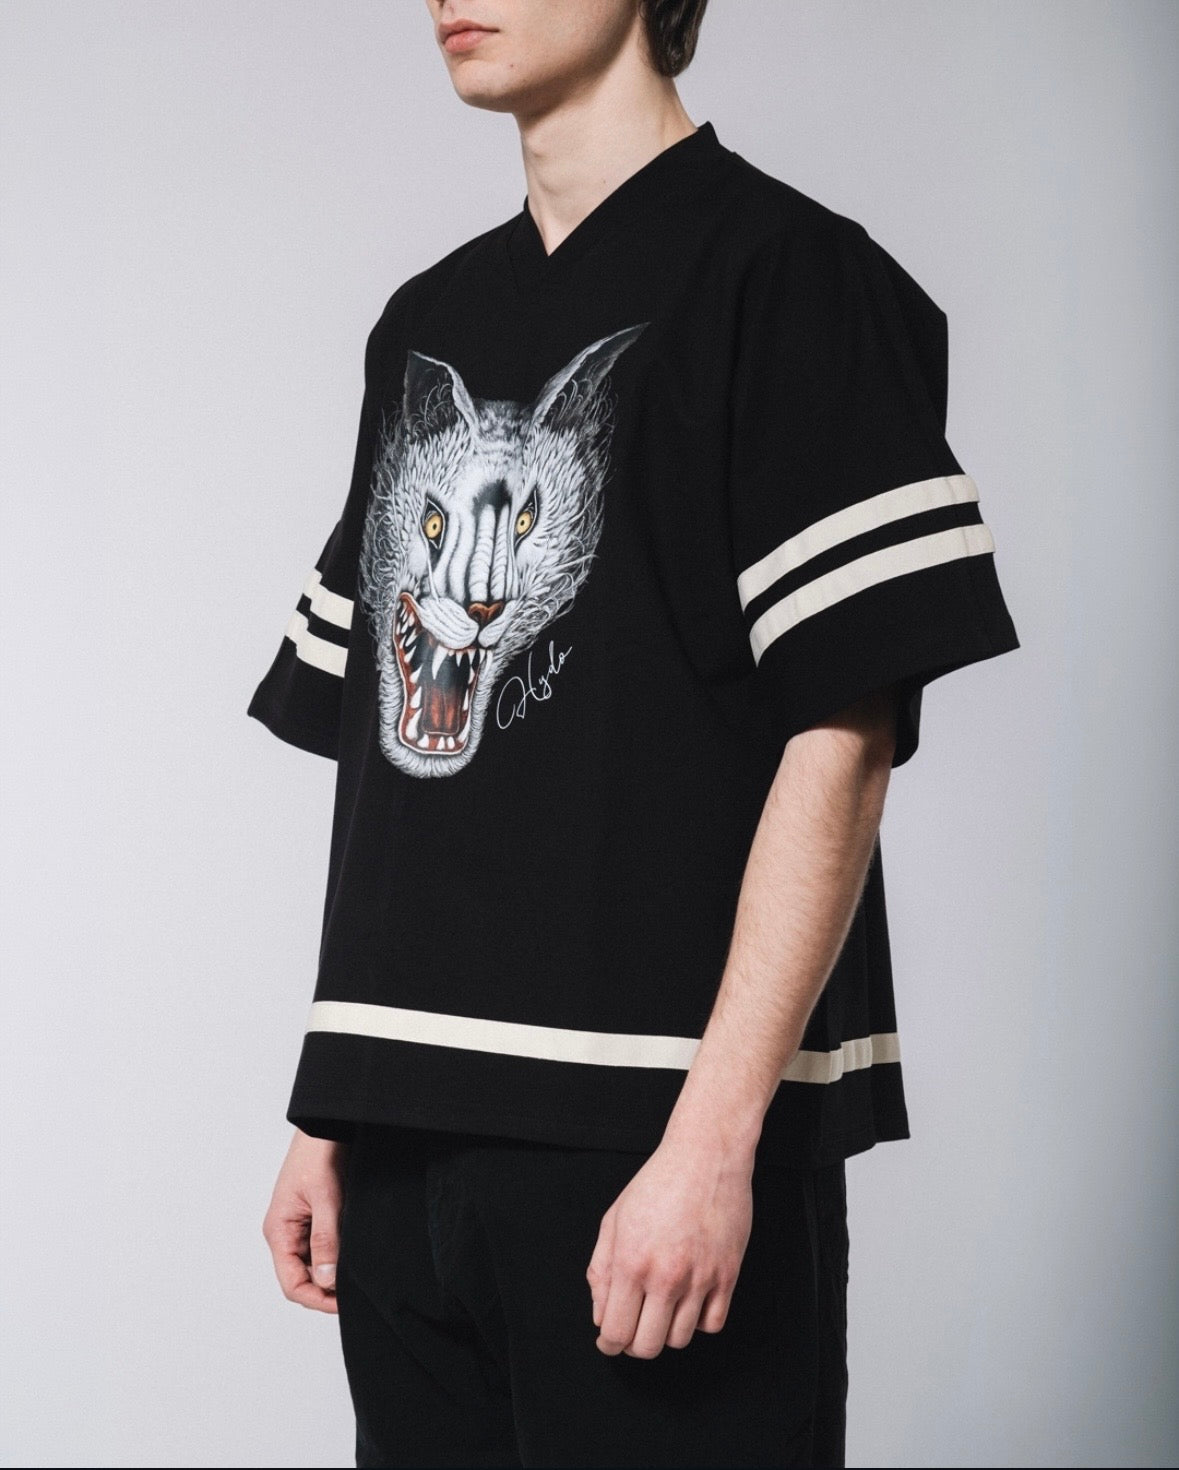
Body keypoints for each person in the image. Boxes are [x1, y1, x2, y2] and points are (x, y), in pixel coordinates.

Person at [248, 2, 1020, 1465]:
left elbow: (843, 735)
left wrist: (716, 1143)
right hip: (402, 1149)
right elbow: (396, 763)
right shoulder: (423, 325)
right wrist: (332, 1107)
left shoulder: (794, 277)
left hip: (650, 1149)